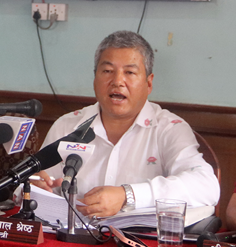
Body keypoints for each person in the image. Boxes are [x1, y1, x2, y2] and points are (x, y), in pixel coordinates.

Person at [32, 30, 219, 217]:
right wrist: (34, 186)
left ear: (148, 83)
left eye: (129, 72)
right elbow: (39, 184)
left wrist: (128, 195)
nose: (117, 81)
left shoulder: (169, 129)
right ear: (95, 79)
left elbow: (206, 186)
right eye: (107, 71)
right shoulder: (67, 126)